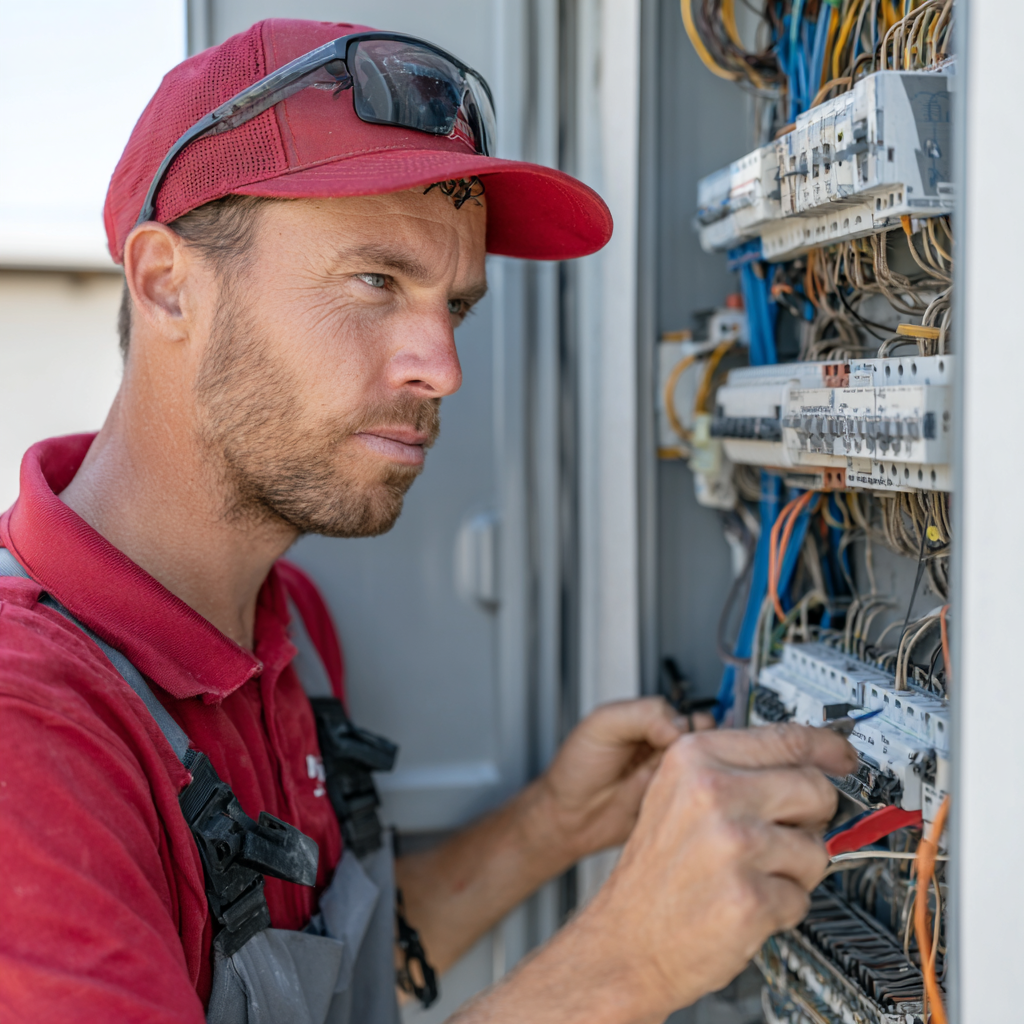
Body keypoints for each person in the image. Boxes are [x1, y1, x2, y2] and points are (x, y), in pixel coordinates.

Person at [0, 19, 856, 1024]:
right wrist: (628, 964)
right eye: (375, 281)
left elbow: (299, 976)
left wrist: (547, 826)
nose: (440, 366)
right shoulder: (31, 728)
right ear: (165, 282)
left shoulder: (287, 625)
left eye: (455, 306)